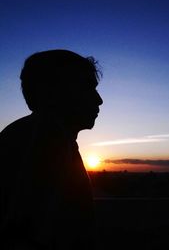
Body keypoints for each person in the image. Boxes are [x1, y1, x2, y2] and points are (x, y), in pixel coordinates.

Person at [0, 49, 103, 249]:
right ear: (54, 91)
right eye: (88, 87)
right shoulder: (45, 137)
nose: (99, 100)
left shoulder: (42, 135)